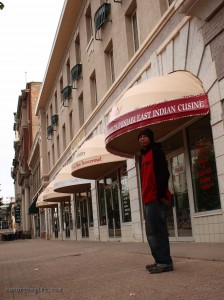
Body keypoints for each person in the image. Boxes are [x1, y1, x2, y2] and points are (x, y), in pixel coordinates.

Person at [138, 128, 173, 274]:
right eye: (140, 137)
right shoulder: (143, 156)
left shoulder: (156, 151)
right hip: (147, 199)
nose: (142, 139)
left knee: (158, 231)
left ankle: (165, 263)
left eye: (145, 136)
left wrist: (160, 194)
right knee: (151, 232)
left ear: (151, 138)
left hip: (155, 197)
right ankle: (159, 260)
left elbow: (164, 172)